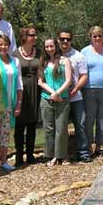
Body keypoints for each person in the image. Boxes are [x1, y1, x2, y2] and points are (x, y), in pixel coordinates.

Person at [0, 34, 23, 171]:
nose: (3, 47)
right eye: (0, 45)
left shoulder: (15, 61)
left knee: (5, 133)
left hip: (10, 102)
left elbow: (19, 84)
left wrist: (19, 104)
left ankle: (3, 161)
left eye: (5, 44)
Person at [81, 26, 103, 156]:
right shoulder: (85, 51)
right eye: (94, 36)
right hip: (89, 90)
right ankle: (88, 146)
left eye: (99, 36)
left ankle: (99, 147)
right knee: (89, 119)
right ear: (90, 37)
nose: (97, 38)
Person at [38, 37, 73, 166]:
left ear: (56, 46)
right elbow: (40, 81)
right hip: (47, 98)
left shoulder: (65, 61)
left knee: (61, 128)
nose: (49, 49)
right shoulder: (44, 61)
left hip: (62, 98)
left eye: (51, 46)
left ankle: (62, 155)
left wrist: (58, 93)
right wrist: (52, 92)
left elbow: (68, 80)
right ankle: (51, 155)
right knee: (49, 129)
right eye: (47, 47)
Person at [59, 29, 91, 163]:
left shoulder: (78, 56)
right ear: (58, 40)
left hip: (76, 95)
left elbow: (84, 75)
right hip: (60, 97)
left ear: (71, 40)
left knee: (81, 124)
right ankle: (62, 153)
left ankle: (83, 152)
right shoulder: (54, 56)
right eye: (62, 39)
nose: (65, 41)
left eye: (68, 39)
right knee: (61, 126)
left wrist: (77, 88)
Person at [13, 26, 41, 166]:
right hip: (21, 90)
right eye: (32, 35)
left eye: (35, 35)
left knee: (32, 123)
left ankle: (30, 154)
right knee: (19, 124)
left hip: (36, 90)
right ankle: (19, 155)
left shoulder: (39, 53)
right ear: (24, 37)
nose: (35, 37)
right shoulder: (15, 54)